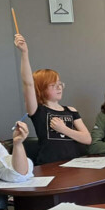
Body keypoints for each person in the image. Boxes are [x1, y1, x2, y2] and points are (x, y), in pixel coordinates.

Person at [15, 34, 90, 165]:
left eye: (60, 84)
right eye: (53, 85)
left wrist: (64, 129)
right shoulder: (38, 110)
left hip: (76, 163)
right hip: (50, 165)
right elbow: (28, 84)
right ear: (41, 88)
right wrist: (24, 53)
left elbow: (87, 138)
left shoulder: (71, 110)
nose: (59, 88)